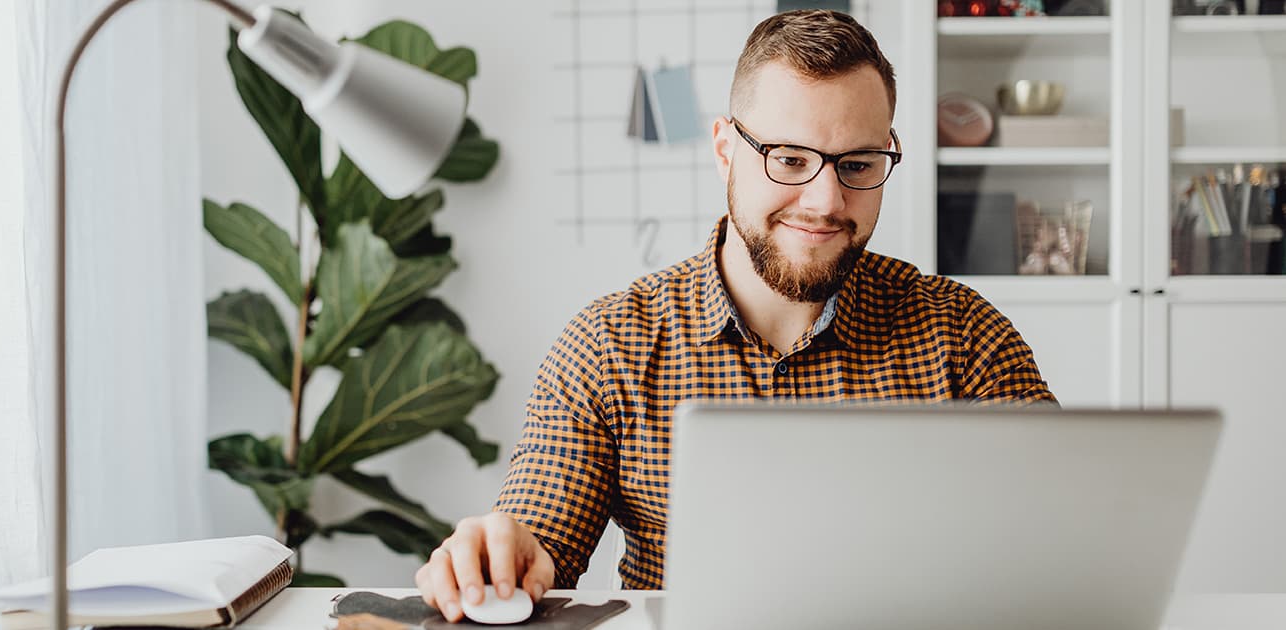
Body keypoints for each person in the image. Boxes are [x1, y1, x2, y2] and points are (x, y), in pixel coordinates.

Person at [415, 9, 1056, 622]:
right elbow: (540, 533)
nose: (827, 201)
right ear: (725, 149)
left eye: (858, 165)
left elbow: (1063, 529)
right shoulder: (610, 342)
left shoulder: (964, 334)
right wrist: (503, 555)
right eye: (790, 159)